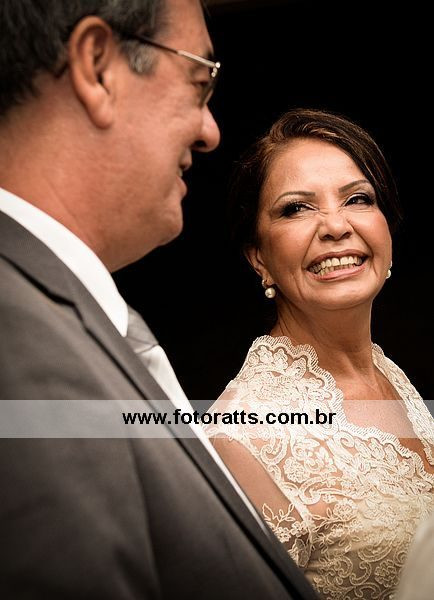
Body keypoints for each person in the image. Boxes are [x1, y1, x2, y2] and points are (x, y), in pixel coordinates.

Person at [0, 2, 318, 599]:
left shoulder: (69, 318)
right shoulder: (17, 342)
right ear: (99, 67)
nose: (210, 131)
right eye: (200, 80)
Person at [205, 108, 434, 600]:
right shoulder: (242, 436)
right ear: (259, 257)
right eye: (296, 209)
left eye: (358, 199)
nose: (335, 225)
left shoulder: (389, 373)